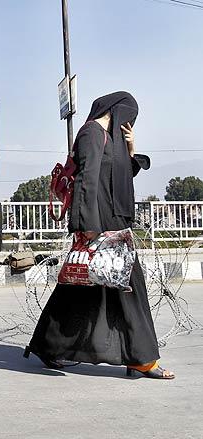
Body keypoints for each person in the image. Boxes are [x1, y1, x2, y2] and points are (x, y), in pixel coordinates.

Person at [25, 91, 175, 379]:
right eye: (128, 116)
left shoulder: (112, 140)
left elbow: (118, 178)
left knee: (80, 288)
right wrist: (85, 225)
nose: (129, 123)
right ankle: (143, 360)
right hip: (100, 223)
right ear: (117, 111)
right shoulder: (91, 133)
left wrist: (131, 152)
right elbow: (87, 180)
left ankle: (47, 345)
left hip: (114, 220)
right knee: (129, 288)